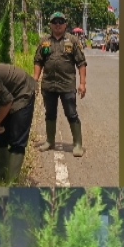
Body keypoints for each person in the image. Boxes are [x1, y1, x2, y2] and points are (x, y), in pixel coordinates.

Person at [33, 12, 87, 157]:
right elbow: (38, 61)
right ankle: (50, 141)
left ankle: (77, 144)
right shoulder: (44, 42)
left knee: (71, 113)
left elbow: (81, 63)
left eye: (60, 21)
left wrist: (82, 83)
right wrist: (35, 80)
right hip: (49, 85)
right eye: (55, 22)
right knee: (49, 113)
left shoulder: (73, 41)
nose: (58, 24)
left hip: (67, 84)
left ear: (65, 24)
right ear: (50, 24)